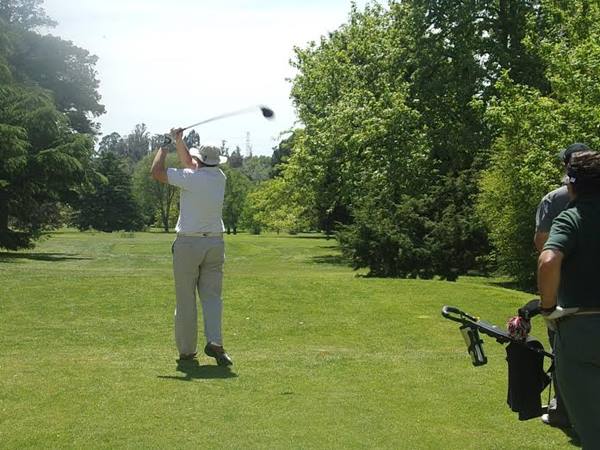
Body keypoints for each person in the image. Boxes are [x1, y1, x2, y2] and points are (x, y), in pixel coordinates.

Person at [150, 129, 233, 366]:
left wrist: (165, 146)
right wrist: (179, 141)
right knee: (212, 297)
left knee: (185, 299)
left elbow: (156, 172)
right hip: (215, 243)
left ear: (199, 161)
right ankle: (215, 342)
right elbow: (190, 162)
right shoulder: (219, 178)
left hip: (189, 243)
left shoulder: (190, 177)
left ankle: (187, 351)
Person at [537, 150, 600, 448]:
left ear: (572, 186)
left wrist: (548, 307)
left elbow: (548, 261)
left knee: (592, 431)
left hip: (581, 330)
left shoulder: (571, 218)